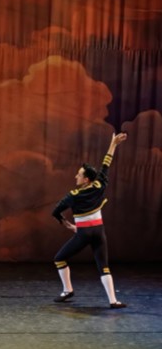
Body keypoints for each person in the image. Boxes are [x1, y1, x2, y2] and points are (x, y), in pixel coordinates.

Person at [51, 132, 128, 308]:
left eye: (78, 175)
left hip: (84, 233)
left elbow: (55, 212)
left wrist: (68, 225)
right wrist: (113, 144)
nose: (75, 177)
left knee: (59, 259)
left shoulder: (73, 195)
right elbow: (106, 163)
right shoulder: (100, 184)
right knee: (103, 267)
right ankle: (113, 301)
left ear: (86, 179)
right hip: (99, 232)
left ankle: (68, 290)